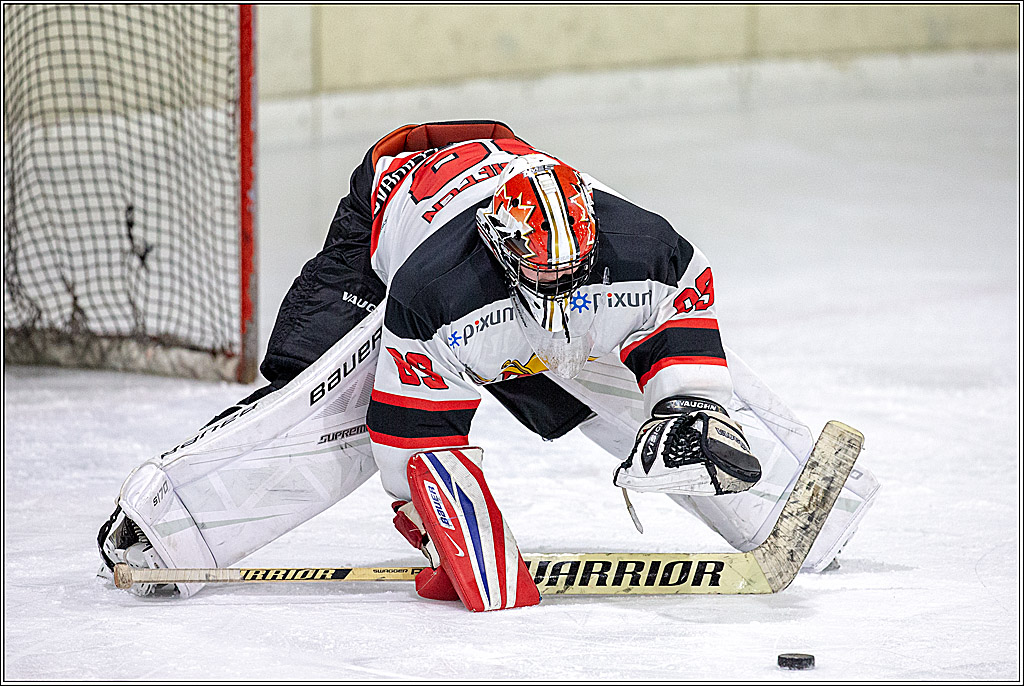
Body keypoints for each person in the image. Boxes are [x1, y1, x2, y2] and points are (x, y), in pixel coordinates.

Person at [98, 120, 877, 609]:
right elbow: (414, 430)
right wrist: (436, 523)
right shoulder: (437, 286)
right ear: (501, 249)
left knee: (611, 357)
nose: (558, 289)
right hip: (382, 231)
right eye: (540, 274)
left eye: (572, 270)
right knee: (328, 403)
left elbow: (680, 312)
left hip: (511, 221)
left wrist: (689, 405)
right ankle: (163, 530)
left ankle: (809, 515)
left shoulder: (644, 245)